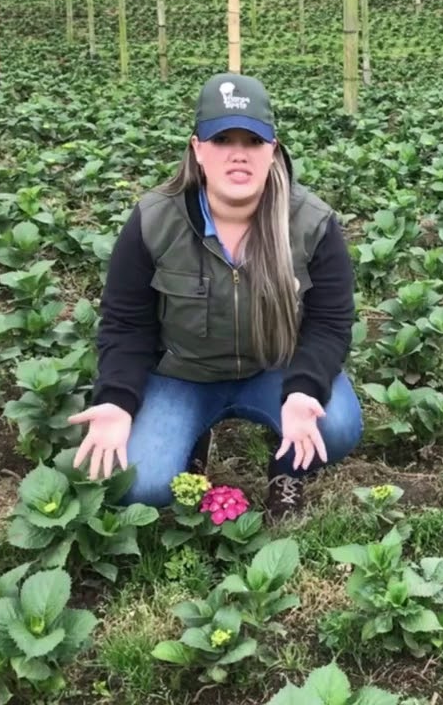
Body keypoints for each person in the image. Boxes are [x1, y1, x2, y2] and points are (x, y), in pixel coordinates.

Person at [67, 72, 363, 521]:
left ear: (273, 150)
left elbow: (330, 321)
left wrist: (304, 391)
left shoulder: (311, 223)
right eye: (223, 139)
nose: (239, 154)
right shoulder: (153, 221)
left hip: (275, 370)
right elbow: (125, 323)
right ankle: (192, 438)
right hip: (182, 376)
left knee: (338, 426)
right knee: (139, 485)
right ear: (197, 149)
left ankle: (286, 469)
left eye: (253, 140)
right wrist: (116, 400)